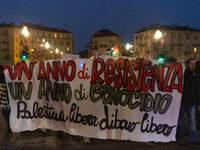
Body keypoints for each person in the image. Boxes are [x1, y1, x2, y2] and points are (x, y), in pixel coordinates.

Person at [176, 58, 200, 147]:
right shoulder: (183, 75)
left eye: (194, 64)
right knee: (179, 120)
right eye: (191, 64)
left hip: (192, 103)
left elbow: (198, 90)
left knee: (192, 122)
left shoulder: (196, 76)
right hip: (182, 102)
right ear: (187, 65)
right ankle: (177, 133)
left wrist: (198, 103)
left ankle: (194, 139)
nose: (193, 66)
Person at [0, 66, 11, 133]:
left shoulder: (7, 82)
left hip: (7, 103)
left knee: (7, 115)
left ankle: (9, 127)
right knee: (5, 114)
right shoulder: (2, 81)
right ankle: (9, 126)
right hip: (3, 103)